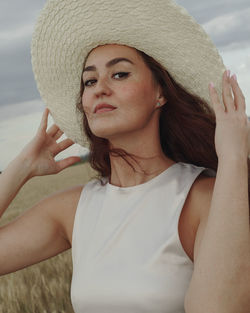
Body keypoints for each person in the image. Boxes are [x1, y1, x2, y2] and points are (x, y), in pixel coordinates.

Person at [1, 0, 250, 312]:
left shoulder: (202, 199)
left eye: (119, 74)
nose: (99, 89)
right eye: (89, 80)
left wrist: (233, 158)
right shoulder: (74, 209)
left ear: (160, 93)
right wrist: (20, 168)